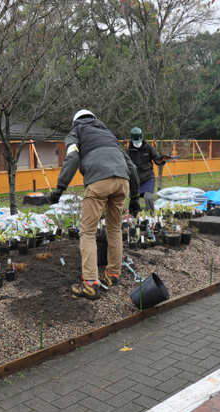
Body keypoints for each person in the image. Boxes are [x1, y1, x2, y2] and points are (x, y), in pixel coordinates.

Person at [49, 109, 139, 300]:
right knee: (114, 229)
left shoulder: (76, 132)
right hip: (122, 181)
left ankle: (90, 283)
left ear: (75, 122)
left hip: (99, 180)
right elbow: (131, 166)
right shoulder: (108, 134)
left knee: (87, 232)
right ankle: (113, 275)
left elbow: (72, 157)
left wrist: (60, 188)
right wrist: (136, 197)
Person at [127, 127, 166, 214]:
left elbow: (156, 159)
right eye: (135, 142)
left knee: (148, 197)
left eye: (139, 141)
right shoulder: (129, 152)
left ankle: (151, 215)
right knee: (134, 200)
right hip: (135, 181)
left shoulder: (149, 148)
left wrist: (160, 161)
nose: (137, 144)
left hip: (148, 177)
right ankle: (133, 218)